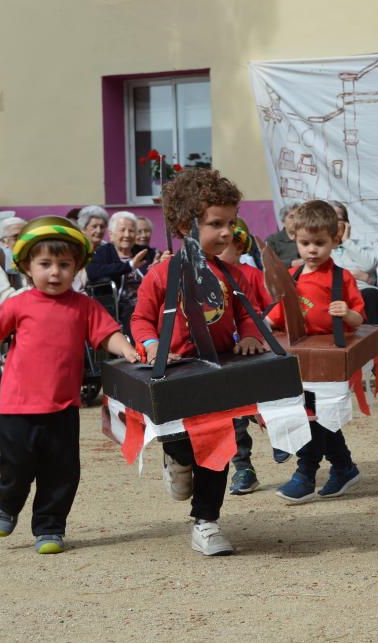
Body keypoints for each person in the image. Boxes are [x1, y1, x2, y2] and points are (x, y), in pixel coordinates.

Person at [0, 216, 139, 554]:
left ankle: (50, 527)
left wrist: (125, 347)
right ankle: (7, 502)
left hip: (63, 408)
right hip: (17, 406)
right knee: (16, 464)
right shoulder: (18, 304)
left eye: (64, 265)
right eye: (45, 264)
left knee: (61, 472)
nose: (55, 272)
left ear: (77, 268)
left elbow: (106, 332)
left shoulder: (83, 306)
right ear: (27, 266)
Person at [131, 168, 267, 556]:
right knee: (182, 445)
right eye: (215, 224)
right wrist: (153, 345)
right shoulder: (161, 274)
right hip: (174, 376)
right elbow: (140, 319)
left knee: (218, 448)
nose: (226, 233)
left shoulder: (230, 273)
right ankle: (175, 459)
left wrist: (252, 336)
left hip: (217, 376)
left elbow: (244, 315)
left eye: (230, 223)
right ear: (183, 224)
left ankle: (206, 522)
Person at [266, 200, 366, 504]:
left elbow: (359, 318)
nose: (312, 250)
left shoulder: (342, 277)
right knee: (317, 417)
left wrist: (347, 313)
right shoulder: (293, 278)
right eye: (305, 242)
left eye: (320, 243)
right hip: (301, 362)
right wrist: (265, 323)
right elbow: (280, 314)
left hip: (330, 363)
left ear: (335, 240)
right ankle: (343, 466)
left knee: (320, 417)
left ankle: (305, 474)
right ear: (294, 238)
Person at [222, 218, 274, 496]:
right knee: (234, 415)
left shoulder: (250, 275)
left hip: (253, 353)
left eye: (228, 245)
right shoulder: (203, 275)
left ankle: (283, 438)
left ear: (240, 246)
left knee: (264, 402)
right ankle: (243, 467)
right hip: (225, 359)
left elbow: (270, 310)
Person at [86, 211, 152, 338]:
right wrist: (129, 266)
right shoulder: (103, 253)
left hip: (148, 302)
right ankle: (140, 352)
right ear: (111, 234)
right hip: (120, 306)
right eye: (122, 230)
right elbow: (93, 272)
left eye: (131, 231)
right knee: (134, 312)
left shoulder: (144, 252)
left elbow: (157, 263)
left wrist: (159, 264)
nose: (127, 235)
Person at [329, 200, 378, 324]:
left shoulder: (359, 245)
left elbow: (369, 265)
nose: (332, 223)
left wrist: (347, 241)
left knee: (371, 295)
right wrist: (353, 274)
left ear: (346, 224)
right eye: (328, 218)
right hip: (333, 292)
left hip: (362, 290)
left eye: (336, 219)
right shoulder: (323, 248)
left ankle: (373, 342)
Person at [264, 203, 302, 267]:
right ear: (283, 221)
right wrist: (291, 263)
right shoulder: (272, 240)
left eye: (298, 217)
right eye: (291, 217)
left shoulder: (308, 238)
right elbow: (268, 263)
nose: (296, 220)